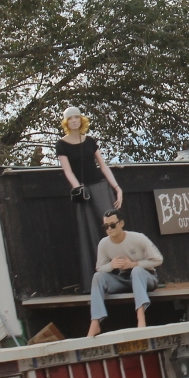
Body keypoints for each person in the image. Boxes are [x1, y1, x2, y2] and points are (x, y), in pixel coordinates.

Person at [56, 106, 124, 292]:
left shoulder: (90, 141)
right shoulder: (61, 144)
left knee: (111, 227)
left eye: (77, 117)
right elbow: (67, 171)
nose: (74, 121)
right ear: (66, 122)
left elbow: (103, 166)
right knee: (89, 232)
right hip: (83, 193)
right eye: (70, 118)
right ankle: (96, 280)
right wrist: (78, 188)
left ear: (81, 120)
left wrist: (117, 188)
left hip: (101, 188)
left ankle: (123, 275)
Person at [86, 211, 163, 335]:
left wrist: (134, 264)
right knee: (97, 277)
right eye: (106, 226)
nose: (109, 229)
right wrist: (111, 266)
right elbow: (99, 268)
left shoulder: (138, 238)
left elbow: (158, 260)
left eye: (112, 225)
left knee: (136, 271)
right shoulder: (104, 244)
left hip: (146, 277)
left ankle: (141, 317)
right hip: (123, 279)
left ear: (121, 223)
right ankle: (95, 322)